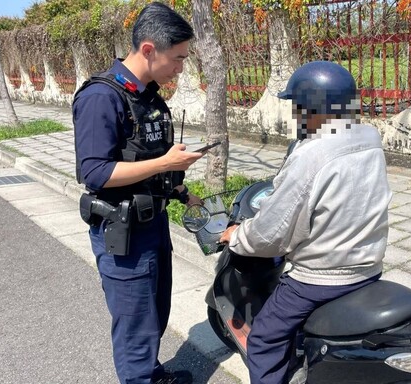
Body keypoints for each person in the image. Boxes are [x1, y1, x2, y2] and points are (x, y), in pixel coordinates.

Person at [219, 61, 392, 384]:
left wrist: (237, 236)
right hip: (369, 265)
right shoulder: (369, 137)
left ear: (311, 108)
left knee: (264, 339)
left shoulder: (312, 154)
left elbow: (273, 230)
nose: (295, 116)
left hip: (322, 277)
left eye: (297, 108)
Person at [72, 3, 205, 383]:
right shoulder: (102, 97)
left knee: (154, 315)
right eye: (177, 58)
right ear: (149, 50)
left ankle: (151, 374)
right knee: (135, 328)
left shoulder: (147, 95)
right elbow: (94, 171)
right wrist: (165, 163)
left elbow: (145, 158)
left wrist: (181, 190)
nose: (180, 68)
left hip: (153, 224)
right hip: (124, 234)